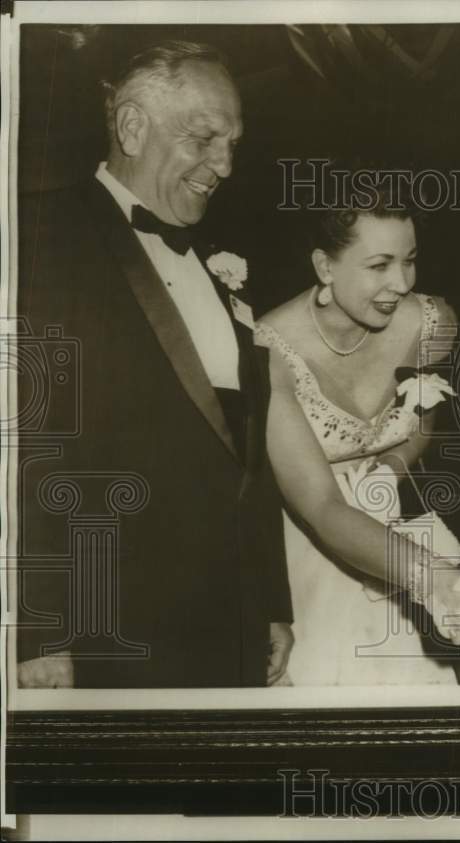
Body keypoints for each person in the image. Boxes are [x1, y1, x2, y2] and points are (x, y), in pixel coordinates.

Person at [16, 41, 293, 688]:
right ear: (133, 125)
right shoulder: (39, 236)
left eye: (233, 143)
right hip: (101, 634)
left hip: (227, 630)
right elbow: (23, 446)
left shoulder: (221, 264)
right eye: (204, 138)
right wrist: (36, 631)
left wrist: (271, 601)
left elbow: (244, 446)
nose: (223, 164)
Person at [255, 191, 460, 685]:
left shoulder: (432, 321)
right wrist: (432, 577)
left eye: (409, 261)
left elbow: (422, 422)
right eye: (379, 265)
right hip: (309, 553)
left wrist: (389, 469)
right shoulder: (269, 349)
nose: (401, 283)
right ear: (325, 266)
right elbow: (322, 508)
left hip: (394, 531)